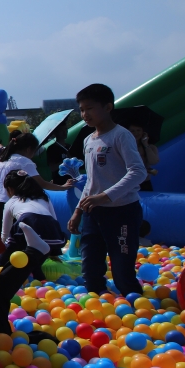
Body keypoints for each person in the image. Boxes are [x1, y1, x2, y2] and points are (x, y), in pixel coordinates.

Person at [68, 84, 147, 298]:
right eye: (82, 109)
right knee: (91, 269)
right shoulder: (88, 140)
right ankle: (99, 310)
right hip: (94, 213)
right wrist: (78, 211)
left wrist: (106, 195)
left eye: (90, 108)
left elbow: (138, 171)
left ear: (108, 107)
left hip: (122, 212)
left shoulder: (121, 136)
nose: (85, 114)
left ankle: (135, 309)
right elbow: (91, 181)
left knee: (122, 272)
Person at [0, 171, 65, 336]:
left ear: (10, 189)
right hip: (52, 232)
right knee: (29, 262)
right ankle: (37, 261)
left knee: (1, 271)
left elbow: (5, 234)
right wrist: (55, 252)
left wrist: (1, 255)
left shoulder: (12, 201)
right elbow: (53, 218)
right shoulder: (44, 197)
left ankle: (34, 251)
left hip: (28, 224)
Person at [0, 133, 71, 202]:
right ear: (29, 149)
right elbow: (42, 184)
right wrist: (63, 187)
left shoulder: (1, 160)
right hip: (7, 203)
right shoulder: (24, 162)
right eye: (34, 151)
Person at [127, 123, 159, 191]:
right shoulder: (123, 148)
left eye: (138, 130)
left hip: (145, 182)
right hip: (130, 183)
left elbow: (153, 162)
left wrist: (145, 144)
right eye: (132, 131)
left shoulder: (151, 147)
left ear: (143, 132)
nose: (136, 133)